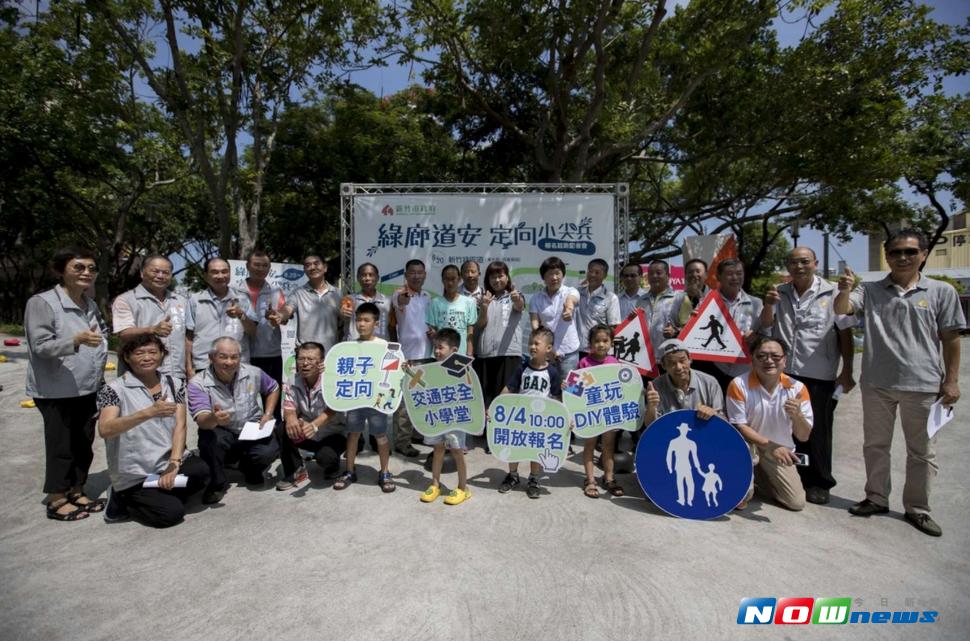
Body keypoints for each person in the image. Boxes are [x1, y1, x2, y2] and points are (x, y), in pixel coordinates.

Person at [835, 229, 965, 537]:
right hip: (878, 383)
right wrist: (844, 289)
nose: (902, 258)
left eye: (909, 252)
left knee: (921, 451)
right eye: (895, 253)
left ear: (923, 255)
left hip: (922, 384)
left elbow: (951, 338)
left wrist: (952, 381)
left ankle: (917, 508)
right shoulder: (870, 290)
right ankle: (876, 498)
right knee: (875, 445)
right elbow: (843, 310)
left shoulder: (941, 292)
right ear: (887, 256)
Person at [760, 246, 856, 505]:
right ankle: (795, 475)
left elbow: (845, 333)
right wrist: (769, 305)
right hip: (785, 373)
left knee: (817, 430)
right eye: (793, 262)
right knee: (785, 427)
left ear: (815, 263)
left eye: (804, 261)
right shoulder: (780, 292)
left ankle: (820, 481)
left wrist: (847, 371)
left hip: (819, 374)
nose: (798, 266)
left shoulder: (834, 292)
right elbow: (766, 325)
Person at [25, 246, 109, 521]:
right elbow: (40, 346)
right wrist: (75, 341)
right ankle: (57, 497)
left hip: (88, 386)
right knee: (61, 443)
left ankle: (77, 488)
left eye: (91, 268)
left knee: (84, 442)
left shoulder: (90, 303)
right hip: (56, 388)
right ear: (61, 270)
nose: (86, 273)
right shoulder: (43, 302)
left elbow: (99, 340)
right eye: (79, 267)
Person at [97, 334, 210, 527]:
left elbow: (180, 426)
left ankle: (158, 493)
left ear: (162, 355)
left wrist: (173, 463)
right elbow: (106, 429)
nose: (147, 358)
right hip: (136, 472)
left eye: (152, 352)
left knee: (202, 472)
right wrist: (148, 413)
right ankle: (121, 498)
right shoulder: (113, 389)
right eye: (139, 353)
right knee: (171, 514)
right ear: (127, 357)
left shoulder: (174, 383)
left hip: (165, 462)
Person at [187, 337, 280, 504]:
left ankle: (250, 469)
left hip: (250, 427)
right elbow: (201, 420)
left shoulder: (253, 372)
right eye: (223, 356)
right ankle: (217, 483)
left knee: (269, 449)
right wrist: (213, 418)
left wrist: (268, 413)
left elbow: (273, 387)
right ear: (211, 357)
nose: (229, 362)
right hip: (222, 430)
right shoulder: (197, 383)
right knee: (209, 439)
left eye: (234, 357)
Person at [726, 337, 813, 511]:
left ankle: (759, 477)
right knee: (740, 502)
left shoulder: (798, 388)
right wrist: (771, 446)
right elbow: (740, 426)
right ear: (753, 359)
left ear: (784, 360)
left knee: (796, 503)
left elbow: (803, 435)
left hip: (780, 452)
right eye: (762, 356)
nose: (769, 361)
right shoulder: (738, 384)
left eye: (775, 356)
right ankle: (748, 479)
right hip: (749, 446)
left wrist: (797, 416)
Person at [332, 303, 397, 493]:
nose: (361, 324)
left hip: (377, 399)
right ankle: (349, 471)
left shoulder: (384, 346)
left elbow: (391, 373)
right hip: (355, 398)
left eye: (366, 320)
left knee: (381, 436)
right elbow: (341, 369)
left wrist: (402, 367)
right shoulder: (349, 346)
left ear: (376, 323)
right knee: (353, 434)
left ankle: (385, 471)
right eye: (358, 320)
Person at [498, 327, 562, 499]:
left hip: (540, 420)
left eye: (536, 343)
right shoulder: (522, 368)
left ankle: (533, 479)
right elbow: (509, 388)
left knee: (536, 448)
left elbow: (556, 398)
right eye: (530, 343)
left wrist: (563, 418)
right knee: (514, 446)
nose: (532, 347)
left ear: (548, 348)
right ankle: (513, 475)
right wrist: (496, 406)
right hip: (520, 416)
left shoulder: (552, 373)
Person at [275, 342, 345, 491]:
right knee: (282, 428)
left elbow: (334, 408)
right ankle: (295, 471)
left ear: (321, 362)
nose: (305, 363)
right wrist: (292, 418)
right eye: (301, 359)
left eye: (311, 359)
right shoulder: (292, 380)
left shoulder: (333, 379)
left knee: (326, 458)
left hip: (333, 433)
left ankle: (333, 465)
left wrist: (315, 425)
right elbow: (288, 407)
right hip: (307, 433)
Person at [111, 254, 187, 381]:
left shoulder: (181, 300)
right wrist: (152, 330)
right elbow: (123, 333)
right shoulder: (126, 300)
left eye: (166, 272)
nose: (161, 276)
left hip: (177, 374)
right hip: (140, 377)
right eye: (155, 271)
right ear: (142, 273)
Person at [420, 329, 473, 505]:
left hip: (455, 418)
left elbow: (471, 393)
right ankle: (435, 484)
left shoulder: (463, 369)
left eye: (440, 347)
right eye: (435, 347)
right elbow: (421, 386)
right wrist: (409, 372)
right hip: (437, 416)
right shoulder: (430, 368)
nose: (436, 351)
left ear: (454, 350)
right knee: (438, 449)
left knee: (457, 451)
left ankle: (463, 488)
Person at [389, 259, 432, 457]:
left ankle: (417, 434)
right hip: (408, 358)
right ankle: (402, 441)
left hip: (428, 355)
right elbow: (402, 302)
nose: (416, 275)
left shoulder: (428, 296)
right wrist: (405, 295)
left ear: (425, 275)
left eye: (420, 272)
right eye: (412, 272)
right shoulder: (399, 294)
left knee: (422, 400)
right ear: (406, 275)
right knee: (405, 404)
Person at [236, 250, 286, 420]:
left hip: (270, 354)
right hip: (241, 355)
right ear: (247, 266)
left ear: (269, 268)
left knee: (272, 402)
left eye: (264, 265)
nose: (260, 268)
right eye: (256, 265)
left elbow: (285, 319)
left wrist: (277, 319)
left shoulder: (276, 292)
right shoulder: (234, 291)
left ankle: (275, 439)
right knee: (243, 402)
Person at [185, 258, 255, 379]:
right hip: (204, 364)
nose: (220, 275)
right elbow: (188, 337)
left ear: (230, 273)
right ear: (206, 275)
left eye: (224, 271)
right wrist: (189, 367)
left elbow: (253, 331)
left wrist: (241, 315)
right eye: (215, 272)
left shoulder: (242, 298)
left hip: (236, 364)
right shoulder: (195, 300)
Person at [576, 325, 624, 498]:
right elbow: (576, 389)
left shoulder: (615, 363)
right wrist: (568, 386)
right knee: (589, 444)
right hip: (590, 413)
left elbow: (622, 389)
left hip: (609, 413)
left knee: (608, 445)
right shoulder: (584, 363)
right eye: (597, 341)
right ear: (590, 343)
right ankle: (589, 480)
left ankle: (609, 478)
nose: (601, 344)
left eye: (605, 341)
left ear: (611, 343)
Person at [475, 261, 525, 410]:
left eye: (500, 276)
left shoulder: (515, 295)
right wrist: (484, 306)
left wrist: (516, 299)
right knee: (487, 398)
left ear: (507, 277)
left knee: (507, 398)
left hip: (509, 354)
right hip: (486, 355)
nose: (497, 280)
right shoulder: (483, 299)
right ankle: (486, 433)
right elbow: (481, 325)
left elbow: (520, 306)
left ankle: (507, 431)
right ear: (487, 280)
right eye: (493, 277)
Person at [709, 258, 764, 392]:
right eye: (729, 274)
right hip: (714, 368)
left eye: (739, 273)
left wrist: (756, 337)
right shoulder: (707, 302)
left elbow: (766, 334)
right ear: (719, 277)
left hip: (744, 370)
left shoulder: (756, 303)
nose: (735, 278)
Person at [644, 338, 724, 425]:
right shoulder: (656, 387)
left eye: (682, 361)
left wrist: (713, 413)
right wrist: (651, 407)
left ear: (690, 359)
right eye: (672, 363)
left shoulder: (710, 382)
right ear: (663, 365)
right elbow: (650, 426)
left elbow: (724, 422)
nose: (679, 367)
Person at [279, 254, 343, 352]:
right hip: (306, 354)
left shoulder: (338, 294)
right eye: (308, 265)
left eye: (316, 264)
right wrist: (280, 315)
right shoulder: (298, 293)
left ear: (325, 268)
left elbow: (343, 320)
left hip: (331, 352)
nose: (312, 267)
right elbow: (288, 309)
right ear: (304, 270)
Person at [529, 256, 580, 378]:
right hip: (546, 353)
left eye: (558, 273)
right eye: (550, 274)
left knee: (570, 390)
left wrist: (568, 308)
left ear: (563, 275)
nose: (554, 277)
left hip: (569, 352)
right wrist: (547, 350)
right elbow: (535, 325)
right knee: (548, 391)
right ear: (543, 277)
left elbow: (572, 299)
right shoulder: (536, 298)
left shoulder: (570, 291)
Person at [635, 260, 692, 355]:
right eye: (651, 274)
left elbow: (689, 328)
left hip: (670, 356)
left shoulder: (680, 298)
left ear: (668, 276)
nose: (654, 276)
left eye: (658, 273)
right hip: (645, 357)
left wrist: (676, 331)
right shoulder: (641, 300)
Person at [426, 264, 477, 356]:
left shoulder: (469, 302)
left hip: (461, 354)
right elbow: (432, 330)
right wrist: (433, 334)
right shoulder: (434, 303)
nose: (450, 283)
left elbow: (470, 332)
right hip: (440, 355)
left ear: (459, 279)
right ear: (442, 280)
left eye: (453, 279)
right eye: (446, 279)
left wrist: (469, 354)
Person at [575, 258, 621, 358]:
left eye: (597, 272)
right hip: (577, 350)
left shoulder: (611, 298)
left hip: (598, 352)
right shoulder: (577, 293)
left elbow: (613, 327)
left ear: (604, 276)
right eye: (590, 271)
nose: (592, 275)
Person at [341, 262, 391, 340]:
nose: (367, 278)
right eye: (364, 275)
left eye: (371, 275)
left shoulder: (388, 301)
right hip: (355, 347)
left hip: (380, 347)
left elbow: (392, 327)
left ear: (377, 278)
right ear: (358, 278)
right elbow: (343, 318)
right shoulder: (349, 299)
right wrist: (343, 313)